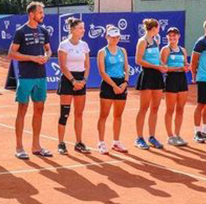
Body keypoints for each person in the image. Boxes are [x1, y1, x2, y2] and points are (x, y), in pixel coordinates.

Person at [8, 2, 52, 160]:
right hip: (26, 76)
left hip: (41, 76)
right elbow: (12, 53)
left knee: (39, 109)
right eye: (40, 12)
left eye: (43, 12)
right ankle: (19, 147)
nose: (43, 15)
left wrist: (46, 57)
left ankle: (36, 146)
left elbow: (48, 49)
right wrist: (32, 58)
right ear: (31, 14)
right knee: (23, 109)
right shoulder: (21, 31)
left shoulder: (43, 31)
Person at [56, 17, 90, 155]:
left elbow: (87, 65)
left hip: (81, 80)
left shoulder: (84, 45)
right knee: (65, 114)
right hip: (67, 80)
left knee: (79, 114)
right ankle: (61, 143)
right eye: (80, 28)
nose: (83, 30)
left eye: (83, 27)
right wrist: (73, 81)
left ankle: (79, 142)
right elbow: (63, 65)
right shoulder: (64, 45)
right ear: (73, 30)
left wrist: (84, 80)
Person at [96, 26, 130, 154]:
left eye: (117, 37)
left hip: (121, 84)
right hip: (108, 84)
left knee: (118, 115)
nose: (115, 39)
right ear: (107, 37)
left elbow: (127, 68)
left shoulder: (123, 51)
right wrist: (114, 86)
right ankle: (101, 142)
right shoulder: (102, 52)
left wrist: (125, 82)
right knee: (104, 115)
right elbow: (102, 72)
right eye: (112, 36)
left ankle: (116, 142)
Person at [134, 18, 167, 150]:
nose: (159, 29)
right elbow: (138, 60)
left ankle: (152, 136)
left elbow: (157, 58)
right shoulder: (142, 41)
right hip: (147, 75)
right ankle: (139, 138)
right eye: (158, 27)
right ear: (154, 28)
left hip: (157, 75)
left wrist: (162, 65)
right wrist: (155, 66)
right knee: (144, 108)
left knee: (155, 108)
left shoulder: (155, 41)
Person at [160, 27, 189, 147]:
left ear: (178, 36)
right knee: (170, 109)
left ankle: (177, 134)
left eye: (174, 35)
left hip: (182, 79)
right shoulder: (165, 50)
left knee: (180, 109)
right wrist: (179, 68)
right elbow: (164, 68)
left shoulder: (183, 50)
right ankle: (170, 136)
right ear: (167, 37)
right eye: (170, 36)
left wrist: (187, 66)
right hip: (171, 79)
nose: (172, 38)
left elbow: (185, 64)